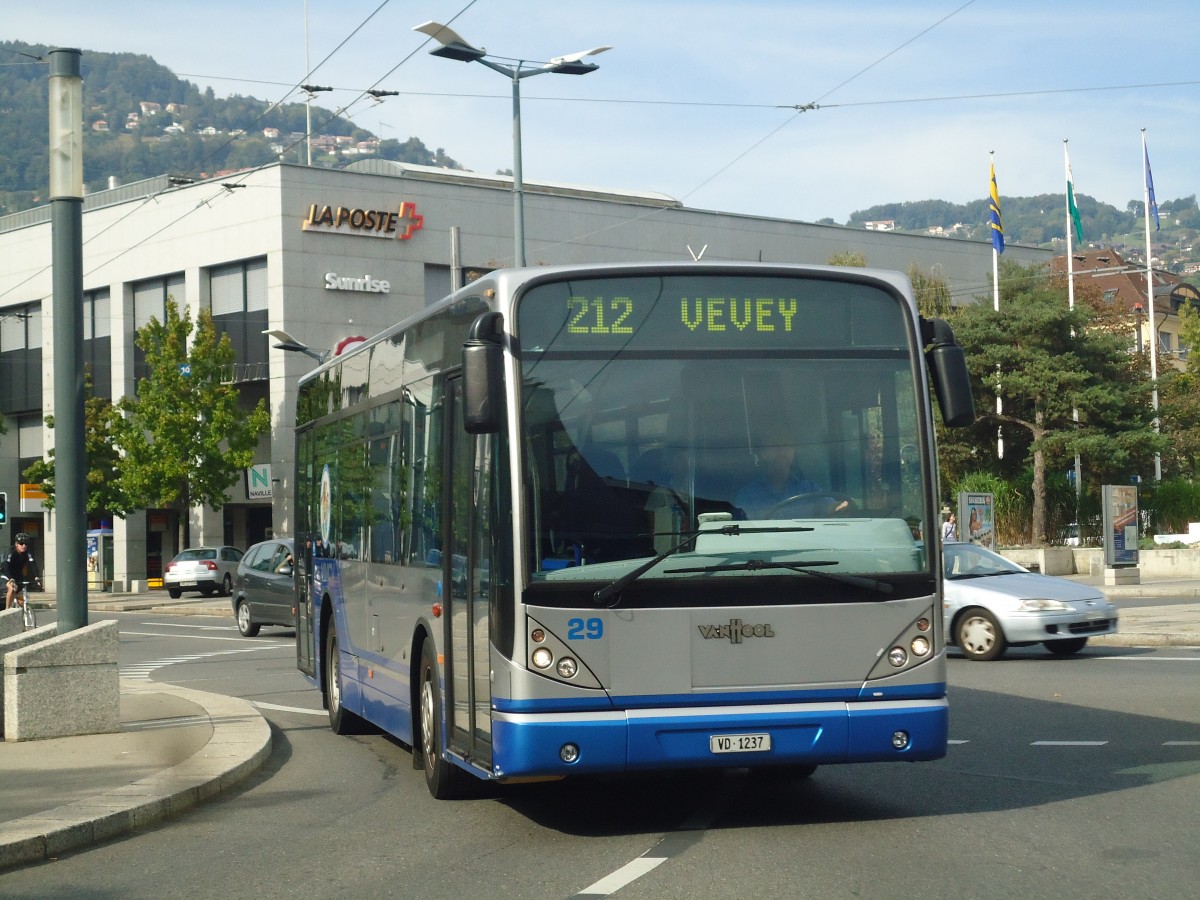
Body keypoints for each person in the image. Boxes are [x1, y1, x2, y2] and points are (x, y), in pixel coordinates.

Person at [734, 437, 848, 519]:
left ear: (793, 451)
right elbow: (746, 530)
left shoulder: (809, 489)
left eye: (787, 445)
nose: (782, 451)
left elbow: (829, 506)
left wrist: (837, 507)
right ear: (762, 453)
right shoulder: (747, 495)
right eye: (774, 446)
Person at [4, 533, 40, 610]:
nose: (24, 545)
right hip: (7, 573)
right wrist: (10, 578)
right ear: (16, 544)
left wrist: (37, 576)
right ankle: (7, 609)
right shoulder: (11, 552)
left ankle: (24, 613)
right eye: (21, 543)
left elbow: (33, 564)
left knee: (21, 601)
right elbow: (6, 566)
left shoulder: (27, 553)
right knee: (11, 588)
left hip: (18, 574)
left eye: (26, 544)